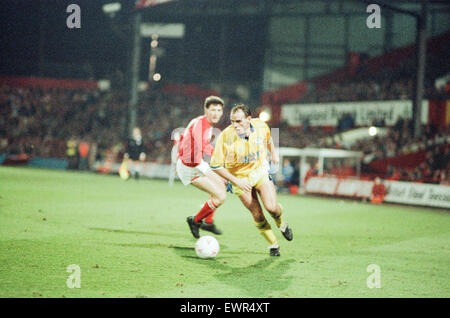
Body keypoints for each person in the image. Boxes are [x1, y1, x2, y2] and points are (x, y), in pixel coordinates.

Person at [209, 104, 293, 256]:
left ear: (249, 119)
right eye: (232, 121)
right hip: (239, 178)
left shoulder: (260, 125)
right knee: (257, 214)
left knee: (272, 208)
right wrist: (235, 180)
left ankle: (282, 223)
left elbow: (268, 138)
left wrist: (274, 153)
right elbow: (215, 165)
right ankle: (273, 245)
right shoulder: (225, 136)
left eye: (239, 121)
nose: (235, 125)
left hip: (259, 171)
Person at [177, 96, 228, 237]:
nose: (216, 113)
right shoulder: (200, 124)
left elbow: (203, 147)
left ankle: (208, 221)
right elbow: (199, 153)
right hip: (189, 168)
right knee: (220, 196)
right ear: (206, 110)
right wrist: (218, 170)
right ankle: (196, 220)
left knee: (221, 187)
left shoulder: (207, 125)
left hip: (195, 164)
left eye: (219, 110)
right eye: (213, 110)